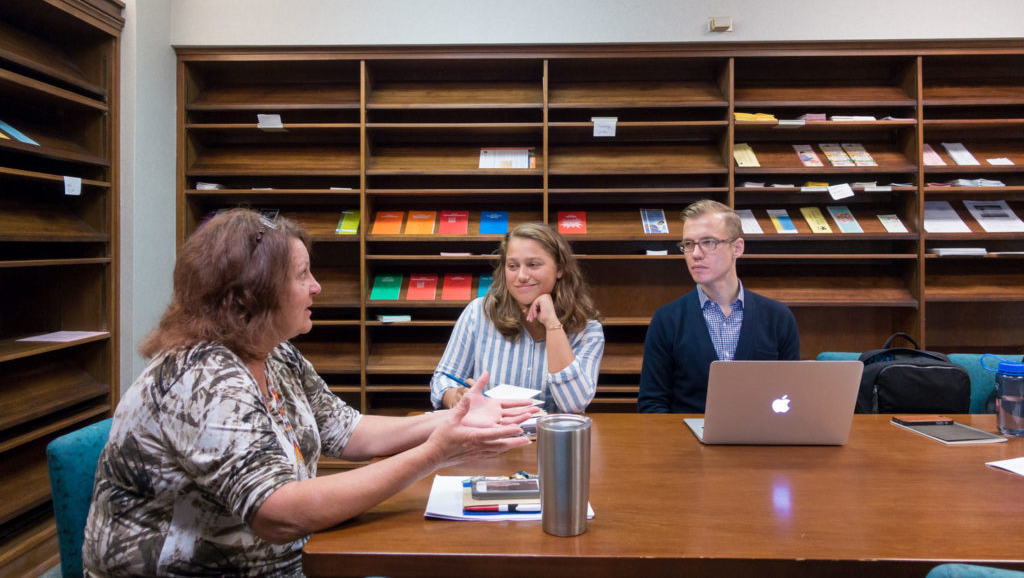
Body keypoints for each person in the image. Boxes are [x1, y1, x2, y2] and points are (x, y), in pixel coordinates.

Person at [83, 209, 534, 576]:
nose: (316, 286)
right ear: (252, 294)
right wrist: (434, 453)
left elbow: (350, 432)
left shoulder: (274, 354)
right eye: (302, 275)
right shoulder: (200, 376)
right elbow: (278, 513)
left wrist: (450, 418)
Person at [638, 199, 799, 413]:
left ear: (737, 247)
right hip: (687, 441)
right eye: (688, 244)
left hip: (760, 439)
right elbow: (651, 403)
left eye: (708, 242)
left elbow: (793, 396)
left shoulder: (778, 317)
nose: (695, 254)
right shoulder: (667, 319)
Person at [430, 222, 604, 414]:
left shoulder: (588, 331)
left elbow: (573, 405)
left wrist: (553, 324)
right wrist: (454, 395)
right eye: (513, 266)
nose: (521, 276)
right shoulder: (478, 313)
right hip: (490, 438)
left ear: (560, 269)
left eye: (533, 265)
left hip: (551, 441)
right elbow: (442, 379)